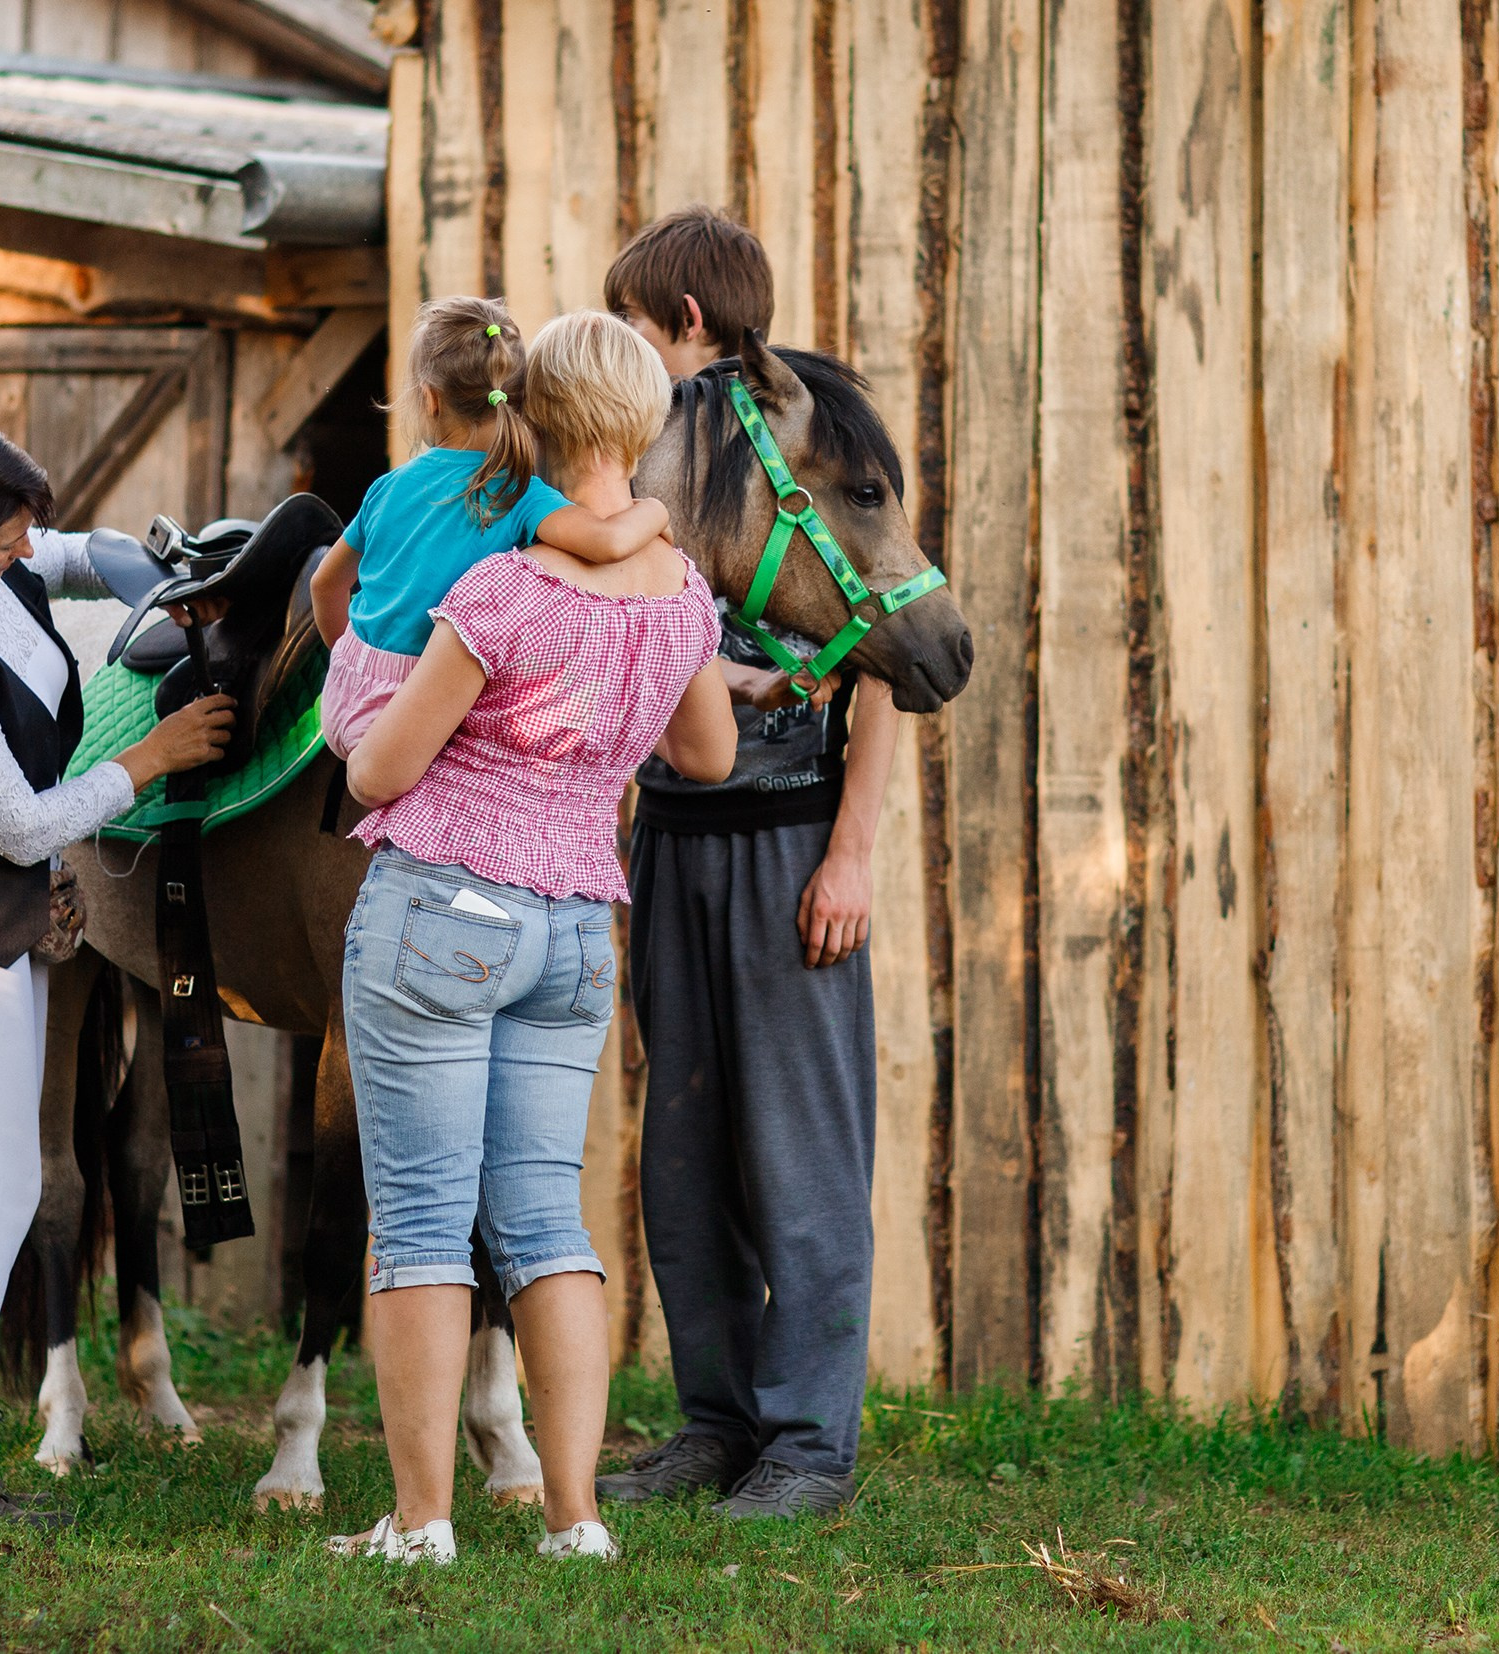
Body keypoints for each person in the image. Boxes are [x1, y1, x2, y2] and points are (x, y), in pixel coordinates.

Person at [326, 313, 739, 1564]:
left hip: (442, 912)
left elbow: (377, 773)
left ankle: (421, 1521)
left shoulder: (499, 589)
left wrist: (358, 726)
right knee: (546, 1221)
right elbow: (707, 755)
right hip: (573, 930)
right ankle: (575, 1518)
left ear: (530, 421)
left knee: (417, 1220)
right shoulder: (679, 594)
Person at [0, 413, 234, 1525]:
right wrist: (148, 759)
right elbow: (21, 828)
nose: (26, 551)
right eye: (2, 539)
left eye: (25, 528)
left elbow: (79, 555)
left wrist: (165, 576)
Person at [596, 206, 903, 1519]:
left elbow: (888, 655)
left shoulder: (824, 447)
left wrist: (851, 855)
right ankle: (714, 1422)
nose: (621, 344)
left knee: (802, 1159)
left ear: (686, 325)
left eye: (631, 322)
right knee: (686, 1154)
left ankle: (809, 1448)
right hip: (673, 840)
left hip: (790, 852)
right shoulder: (640, 454)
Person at [311, 295, 673, 755]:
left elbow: (326, 584)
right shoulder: (520, 495)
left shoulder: (388, 486)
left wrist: (353, 662)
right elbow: (610, 542)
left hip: (347, 691)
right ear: (520, 400)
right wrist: (657, 511)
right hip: (418, 709)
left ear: (429, 398)